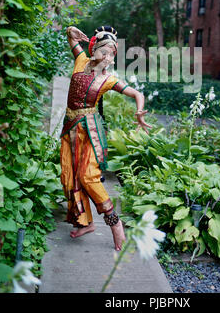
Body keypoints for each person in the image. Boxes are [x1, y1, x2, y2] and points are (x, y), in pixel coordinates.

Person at [60, 25, 152, 251]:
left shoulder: (108, 80)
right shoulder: (80, 60)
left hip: (87, 132)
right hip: (68, 127)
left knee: (88, 177)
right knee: (69, 177)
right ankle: (86, 222)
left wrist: (139, 112)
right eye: (105, 53)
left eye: (112, 55)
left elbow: (136, 93)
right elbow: (70, 34)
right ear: (94, 51)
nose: (109, 59)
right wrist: (74, 30)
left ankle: (114, 223)